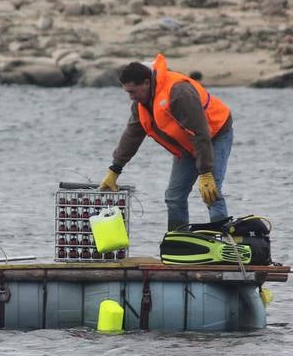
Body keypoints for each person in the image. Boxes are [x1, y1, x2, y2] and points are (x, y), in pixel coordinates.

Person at [99, 54, 234, 230]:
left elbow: (200, 133)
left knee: (211, 191)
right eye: (127, 92)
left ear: (147, 83)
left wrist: (205, 172)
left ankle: (224, 240)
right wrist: (115, 169)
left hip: (215, 134)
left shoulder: (179, 92)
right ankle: (179, 242)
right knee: (174, 196)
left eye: (132, 91)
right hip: (187, 143)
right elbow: (131, 136)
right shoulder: (141, 103)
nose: (130, 97)